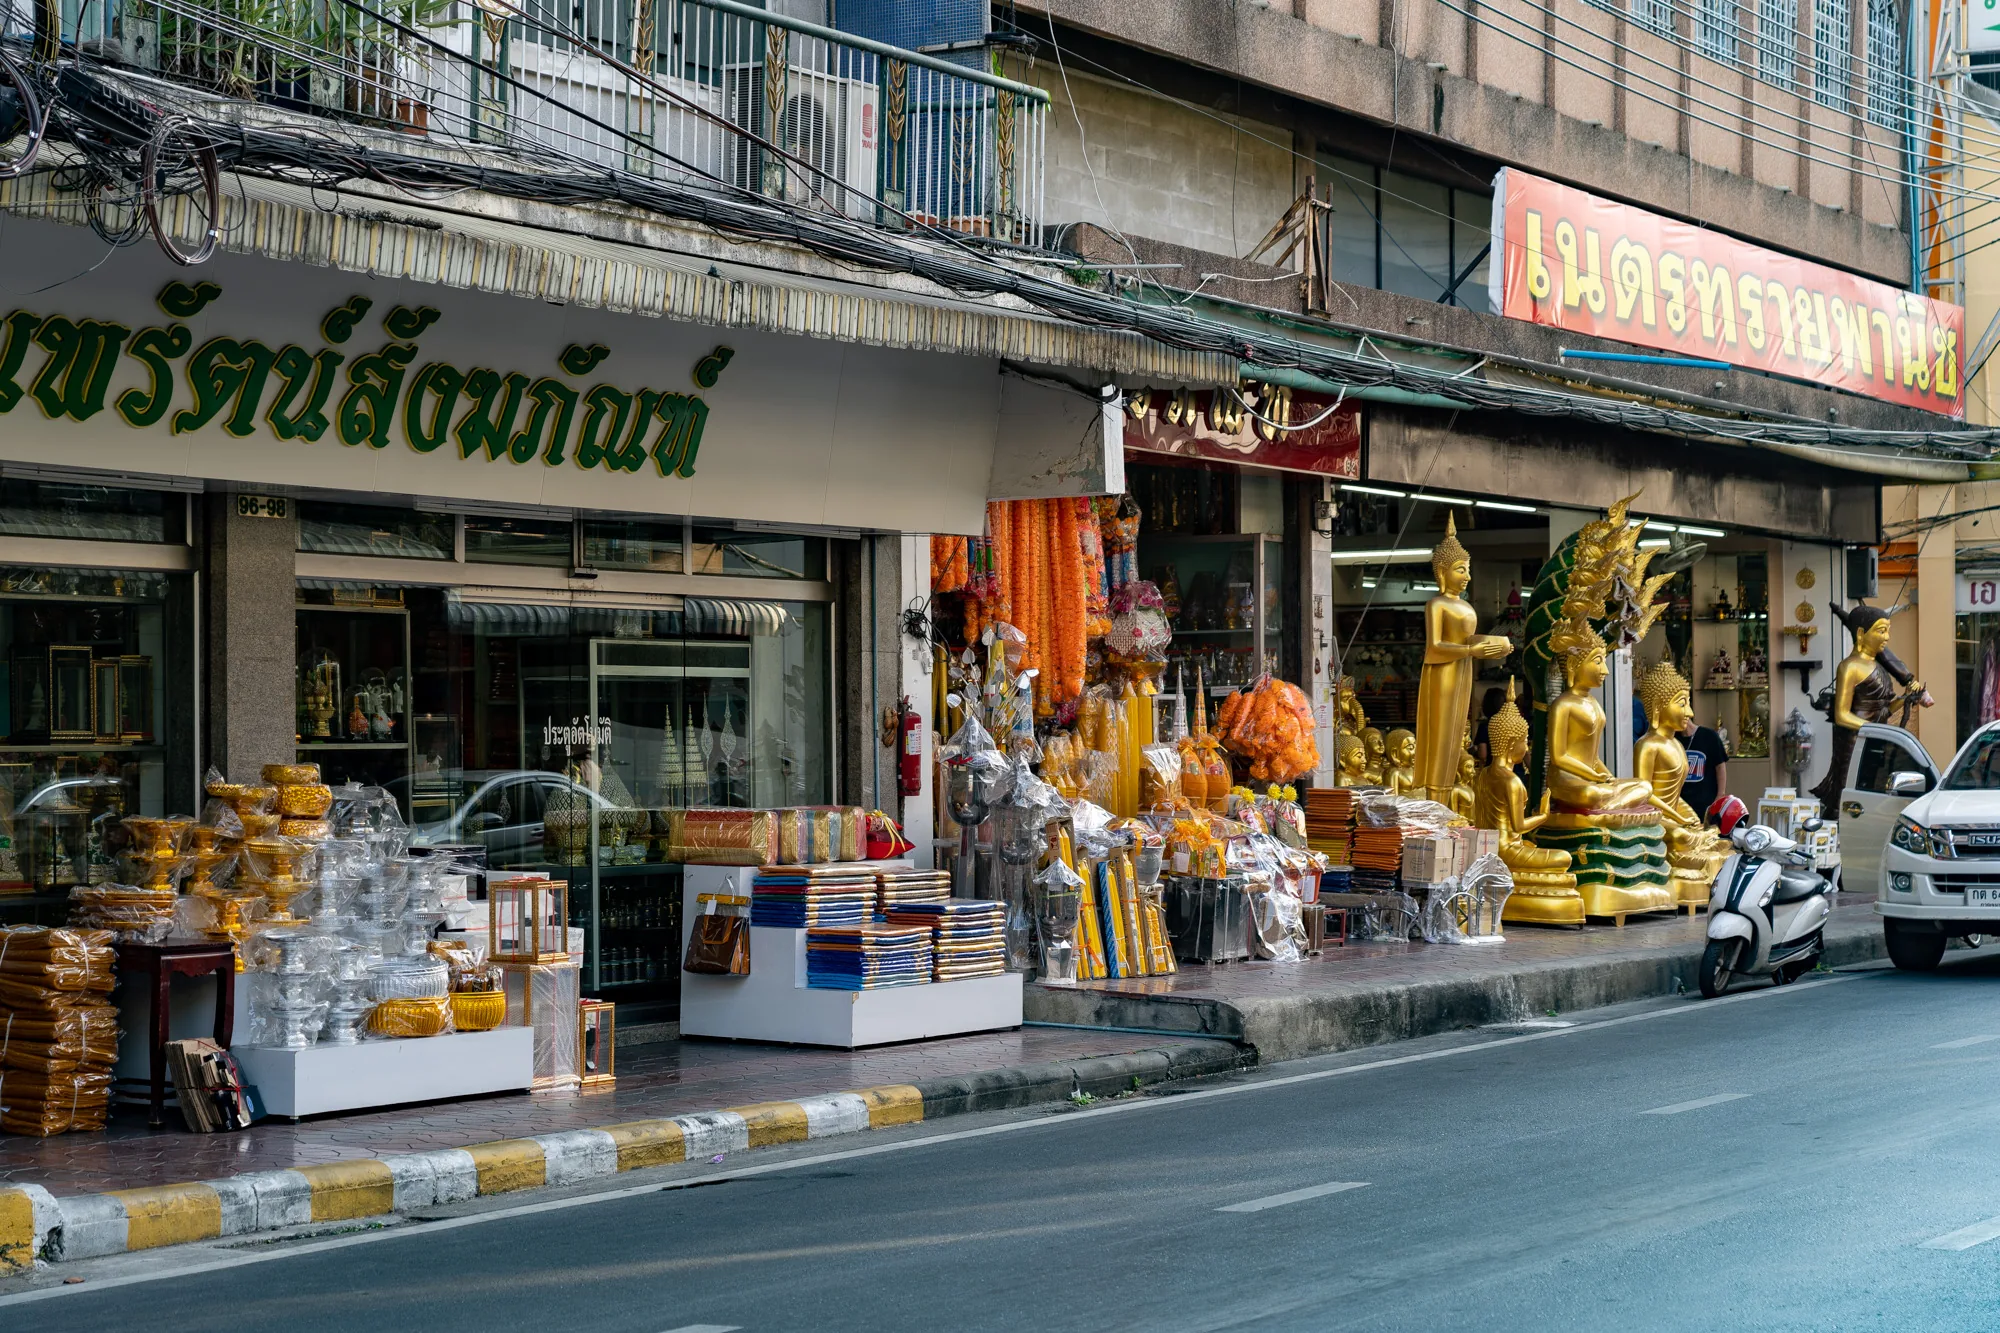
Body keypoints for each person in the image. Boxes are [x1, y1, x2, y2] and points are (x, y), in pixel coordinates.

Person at [1679, 712, 1729, 821]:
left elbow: (1720, 767)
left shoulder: (1709, 736)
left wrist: (1720, 795)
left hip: (1706, 801)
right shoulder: (1673, 739)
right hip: (1682, 803)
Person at [1472, 686, 1505, 766]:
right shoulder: (1514, 724)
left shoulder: (1485, 727)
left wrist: (1473, 752)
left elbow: (1483, 755)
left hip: (1494, 771)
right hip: (1516, 772)